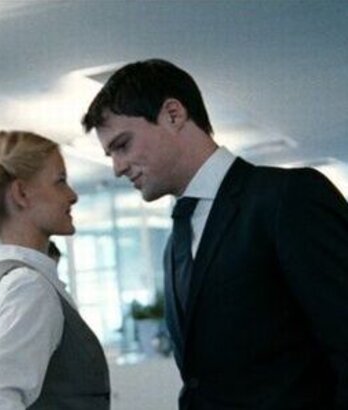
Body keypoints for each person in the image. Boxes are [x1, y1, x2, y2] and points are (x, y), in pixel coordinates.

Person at [82, 59, 348, 409]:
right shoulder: (176, 241)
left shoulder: (286, 197)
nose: (117, 168)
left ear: (173, 115)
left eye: (122, 145)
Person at [0, 130, 110, 409]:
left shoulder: (15, 277)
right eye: (60, 181)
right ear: (21, 193)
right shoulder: (28, 286)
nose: (72, 195)